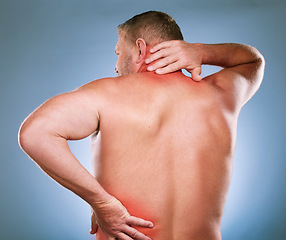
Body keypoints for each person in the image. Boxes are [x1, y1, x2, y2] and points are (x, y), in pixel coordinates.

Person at [18, 11, 265, 240]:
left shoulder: (105, 95)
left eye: (118, 52)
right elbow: (253, 61)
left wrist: (102, 203)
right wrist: (202, 51)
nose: (116, 66)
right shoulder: (220, 94)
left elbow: (35, 134)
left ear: (139, 49)